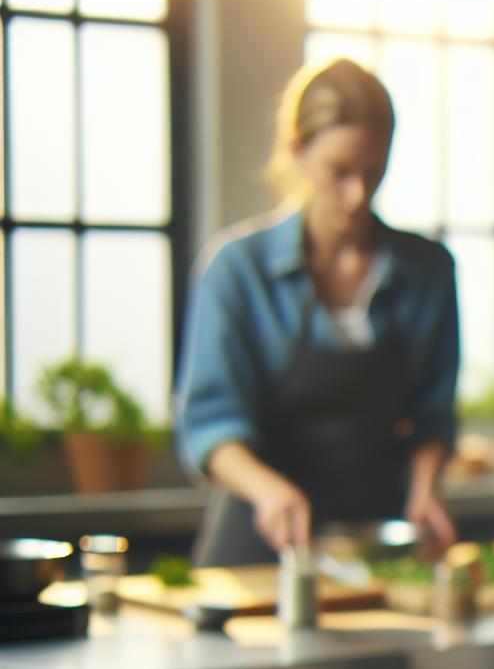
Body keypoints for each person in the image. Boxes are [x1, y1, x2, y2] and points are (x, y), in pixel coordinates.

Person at [177, 59, 460, 566]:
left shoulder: (429, 270)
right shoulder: (237, 270)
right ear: (297, 151)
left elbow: (432, 414)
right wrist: (268, 490)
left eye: (373, 172)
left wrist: (426, 489)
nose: (358, 195)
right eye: (340, 172)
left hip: (377, 542)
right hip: (258, 542)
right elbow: (208, 424)